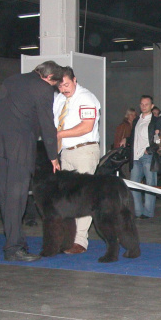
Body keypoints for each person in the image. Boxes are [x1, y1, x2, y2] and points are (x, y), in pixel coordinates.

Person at [0, 61, 62, 262]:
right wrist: (53, 155)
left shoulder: (12, 80)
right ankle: (14, 248)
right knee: (17, 200)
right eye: (55, 85)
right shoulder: (43, 88)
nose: (53, 88)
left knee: (6, 199)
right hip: (18, 149)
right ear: (48, 78)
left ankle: (15, 241)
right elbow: (47, 124)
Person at [53, 66, 102, 255]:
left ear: (75, 80)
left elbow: (87, 127)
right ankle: (68, 238)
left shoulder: (87, 98)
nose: (63, 89)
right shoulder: (59, 99)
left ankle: (80, 240)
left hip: (84, 150)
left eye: (66, 84)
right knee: (67, 198)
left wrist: (58, 134)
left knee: (83, 197)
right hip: (65, 152)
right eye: (59, 86)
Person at [127, 95, 161, 219]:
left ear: (152, 106)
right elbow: (134, 136)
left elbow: (158, 140)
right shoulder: (137, 119)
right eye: (142, 104)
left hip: (147, 156)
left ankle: (148, 212)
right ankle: (137, 211)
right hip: (136, 156)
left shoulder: (156, 120)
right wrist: (125, 139)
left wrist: (150, 150)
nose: (143, 106)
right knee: (133, 185)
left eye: (146, 104)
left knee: (150, 185)